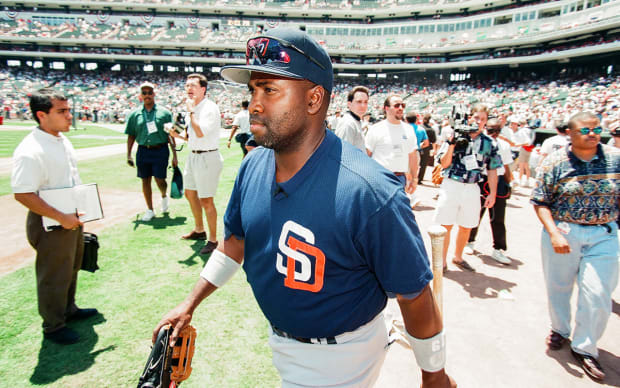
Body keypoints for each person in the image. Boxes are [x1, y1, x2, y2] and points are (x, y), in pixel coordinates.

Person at [153, 28, 455, 388]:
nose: (254, 104)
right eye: (253, 90)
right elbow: (234, 243)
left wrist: (434, 375)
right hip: (283, 344)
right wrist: (190, 303)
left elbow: (413, 292)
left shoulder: (369, 190)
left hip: (342, 357)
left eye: (269, 89)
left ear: (314, 100)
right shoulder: (253, 165)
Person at [531, 112, 619, 382]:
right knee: (559, 286)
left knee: (597, 293)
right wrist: (554, 233)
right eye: (585, 130)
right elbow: (540, 200)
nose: (592, 134)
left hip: (604, 233)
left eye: (596, 129)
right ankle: (560, 329)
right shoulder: (556, 161)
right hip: (564, 232)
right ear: (570, 133)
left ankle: (585, 347)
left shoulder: (615, 158)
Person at [11, 88, 97, 345]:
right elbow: (23, 194)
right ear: (42, 115)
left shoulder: (60, 139)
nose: (69, 116)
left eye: (68, 110)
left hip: (68, 217)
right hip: (49, 221)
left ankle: (68, 309)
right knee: (53, 274)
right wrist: (61, 217)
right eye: (62, 111)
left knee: (70, 267)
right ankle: (53, 325)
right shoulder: (31, 149)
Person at [433, 104, 503, 272]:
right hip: (451, 183)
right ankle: (442, 262)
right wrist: (451, 144)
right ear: (469, 118)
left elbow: (493, 170)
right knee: (445, 225)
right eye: (476, 118)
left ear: (486, 122)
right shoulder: (455, 136)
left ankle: (458, 257)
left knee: (467, 225)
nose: (479, 122)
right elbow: (444, 163)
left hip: (472, 186)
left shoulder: (489, 143)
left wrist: (492, 193)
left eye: (483, 119)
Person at [169, 74, 223, 255]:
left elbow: (200, 133)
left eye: (193, 85)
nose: (189, 89)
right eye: (186, 86)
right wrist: (178, 136)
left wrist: (191, 112)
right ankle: (199, 230)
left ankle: (213, 240)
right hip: (193, 156)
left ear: (203, 89)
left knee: (206, 200)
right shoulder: (192, 109)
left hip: (207, 157)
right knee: (190, 194)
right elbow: (192, 135)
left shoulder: (209, 108)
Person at [125, 82, 176, 222]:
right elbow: (131, 135)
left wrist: (175, 155)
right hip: (143, 150)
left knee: (160, 179)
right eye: (144, 93)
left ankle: (164, 195)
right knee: (145, 180)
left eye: (149, 92)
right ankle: (150, 209)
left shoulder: (164, 113)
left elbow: (171, 134)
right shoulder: (135, 114)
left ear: (154, 94)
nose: (147, 95)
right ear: (141, 96)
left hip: (160, 149)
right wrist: (128, 154)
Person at [465, 118, 514, 265]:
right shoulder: (479, 142)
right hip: (481, 179)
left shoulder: (504, 145)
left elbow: (505, 167)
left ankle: (498, 248)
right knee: (475, 213)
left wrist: (509, 183)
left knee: (498, 217)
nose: (494, 133)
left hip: (498, 181)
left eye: (497, 130)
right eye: (491, 130)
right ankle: (469, 241)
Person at [366, 94, 419, 194]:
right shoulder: (376, 129)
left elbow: (412, 156)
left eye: (403, 105)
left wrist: (415, 178)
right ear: (386, 108)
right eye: (396, 105)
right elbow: (367, 154)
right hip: (379, 177)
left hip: (400, 178)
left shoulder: (409, 129)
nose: (400, 108)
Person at [334, 85, 369, 151]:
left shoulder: (356, 121)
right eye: (359, 102)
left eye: (365, 102)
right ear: (349, 104)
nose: (363, 105)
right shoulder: (348, 123)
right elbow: (344, 153)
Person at [419, 113, 437, 184]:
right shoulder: (431, 130)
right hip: (426, 148)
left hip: (418, 146)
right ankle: (419, 178)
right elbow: (433, 141)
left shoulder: (419, 128)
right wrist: (434, 150)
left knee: (415, 163)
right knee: (423, 164)